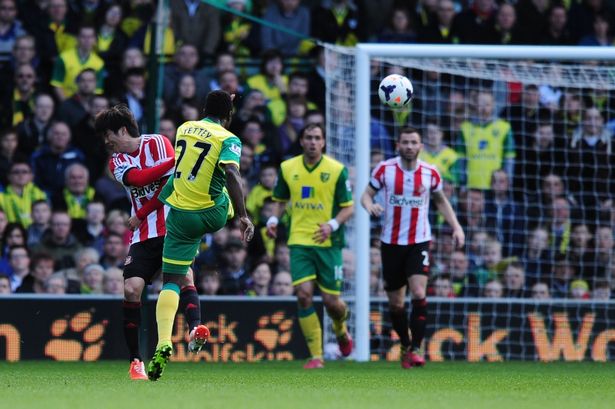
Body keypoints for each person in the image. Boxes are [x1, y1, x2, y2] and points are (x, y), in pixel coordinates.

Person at [145, 90, 254, 381]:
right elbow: (232, 172)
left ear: (203, 108)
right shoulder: (228, 138)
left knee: (169, 281)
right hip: (213, 214)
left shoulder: (184, 128)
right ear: (229, 116)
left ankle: (163, 341)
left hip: (181, 215)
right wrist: (242, 215)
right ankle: (194, 329)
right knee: (223, 194)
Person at [95, 104, 208, 381]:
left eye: (108, 135)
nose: (106, 142)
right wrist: (179, 160)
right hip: (143, 233)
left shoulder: (159, 142)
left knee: (184, 277)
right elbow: (141, 178)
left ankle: (195, 329)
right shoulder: (117, 161)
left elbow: (169, 188)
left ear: (122, 130)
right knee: (132, 289)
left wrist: (142, 212)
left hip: (172, 226)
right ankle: (136, 361)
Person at [360, 127, 464, 369]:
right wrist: (370, 206)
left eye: (413, 142)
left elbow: (441, 201)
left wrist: (457, 227)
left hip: (419, 241)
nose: (409, 146)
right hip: (391, 243)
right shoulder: (385, 169)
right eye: (405, 142)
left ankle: (417, 349)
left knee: (418, 293)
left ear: (420, 146)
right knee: (396, 304)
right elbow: (365, 195)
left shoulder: (430, 173)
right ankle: (405, 345)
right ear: (398, 145)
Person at [267, 123, 354, 369]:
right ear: (302, 141)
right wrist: (274, 219)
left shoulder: (337, 170)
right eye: (309, 138)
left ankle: (341, 329)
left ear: (324, 142)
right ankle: (316, 356)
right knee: (304, 296)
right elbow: (280, 201)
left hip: (328, 243)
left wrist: (332, 225)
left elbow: (348, 207)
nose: (313, 142)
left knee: (332, 302)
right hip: (299, 241)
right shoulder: (288, 168)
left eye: (318, 138)